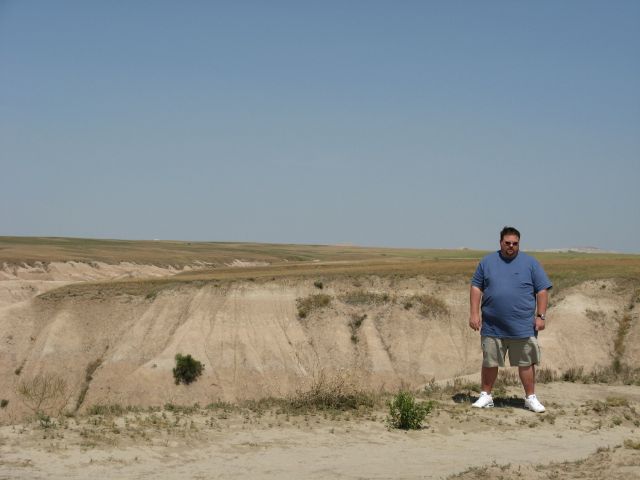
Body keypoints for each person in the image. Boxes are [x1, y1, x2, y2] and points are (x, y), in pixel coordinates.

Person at [469, 226, 552, 413]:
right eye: (507, 243)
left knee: (526, 362)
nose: (511, 246)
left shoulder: (531, 263)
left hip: (522, 325)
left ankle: (530, 398)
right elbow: (476, 287)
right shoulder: (487, 262)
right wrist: (474, 314)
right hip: (492, 324)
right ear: (500, 242)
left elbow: (542, 290)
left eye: (515, 243)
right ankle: (486, 395)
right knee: (490, 361)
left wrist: (541, 315)